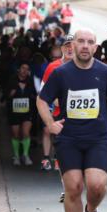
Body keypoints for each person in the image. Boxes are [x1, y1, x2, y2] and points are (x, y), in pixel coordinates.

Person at [37, 28, 107, 212]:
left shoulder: (105, 73)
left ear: (95, 47)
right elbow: (42, 100)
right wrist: (50, 124)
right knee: (73, 187)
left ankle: (91, 210)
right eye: (81, 41)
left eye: (90, 42)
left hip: (98, 138)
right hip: (69, 139)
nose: (85, 46)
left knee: (97, 185)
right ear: (72, 46)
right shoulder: (61, 73)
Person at [40, 38, 74, 172]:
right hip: (55, 107)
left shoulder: (84, 66)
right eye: (67, 46)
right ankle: (47, 158)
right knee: (50, 131)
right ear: (62, 49)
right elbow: (43, 91)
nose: (70, 49)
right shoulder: (53, 66)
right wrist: (56, 101)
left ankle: (61, 158)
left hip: (75, 110)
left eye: (73, 46)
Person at [5, 63, 36, 166]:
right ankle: (16, 156)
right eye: (23, 68)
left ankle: (26, 155)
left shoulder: (30, 81)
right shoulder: (12, 80)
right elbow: (7, 95)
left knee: (26, 132)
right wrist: (13, 91)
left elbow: (35, 95)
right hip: (14, 111)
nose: (24, 71)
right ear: (18, 69)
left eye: (27, 69)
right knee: (16, 134)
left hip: (27, 111)